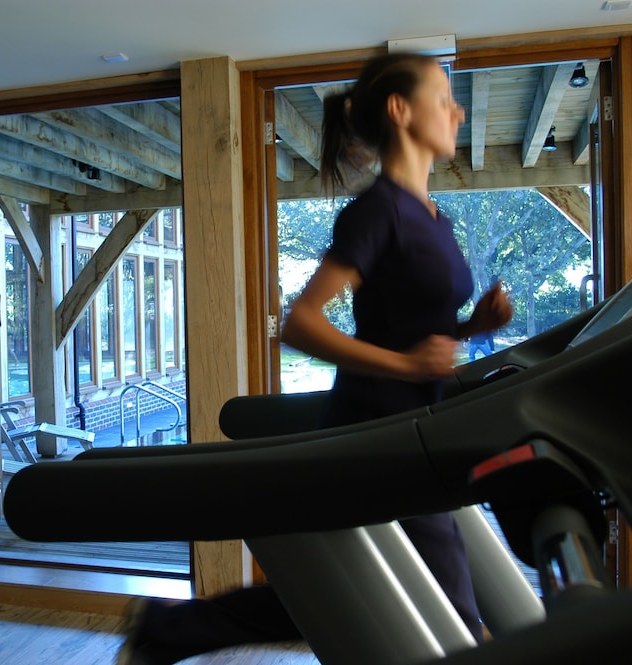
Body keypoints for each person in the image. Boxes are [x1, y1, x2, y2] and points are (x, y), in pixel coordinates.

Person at [116, 52, 513, 665]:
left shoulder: (437, 217)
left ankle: (165, 627)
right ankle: (164, 628)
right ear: (401, 110)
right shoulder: (378, 212)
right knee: (452, 615)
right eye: (443, 97)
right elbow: (301, 323)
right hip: (377, 432)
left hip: (415, 428)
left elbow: (409, 330)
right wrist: (409, 367)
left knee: (348, 591)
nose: (457, 111)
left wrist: (473, 326)